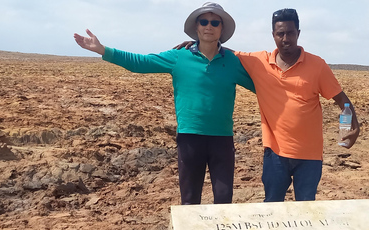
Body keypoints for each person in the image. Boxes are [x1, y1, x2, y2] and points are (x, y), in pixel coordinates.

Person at [74, 2, 255, 205]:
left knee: (223, 201)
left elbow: (263, 86)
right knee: (189, 201)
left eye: (215, 22)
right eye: (204, 21)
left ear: (222, 29)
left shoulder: (232, 61)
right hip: (190, 138)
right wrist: (102, 50)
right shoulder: (179, 57)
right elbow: (140, 62)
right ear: (196, 27)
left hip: (222, 139)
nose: (209, 26)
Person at [176, 8, 360, 202]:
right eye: (280, 34)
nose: (285, 38)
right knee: (272, 207)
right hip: (275, 155)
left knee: (306, 209)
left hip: (310, 156)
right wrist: (199, 44)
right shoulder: (259, 62)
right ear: (273, 35)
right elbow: (227, 53)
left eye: (290, 33)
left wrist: (354, 124)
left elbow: (341, 99)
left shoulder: (317, 65)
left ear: (298, 33)